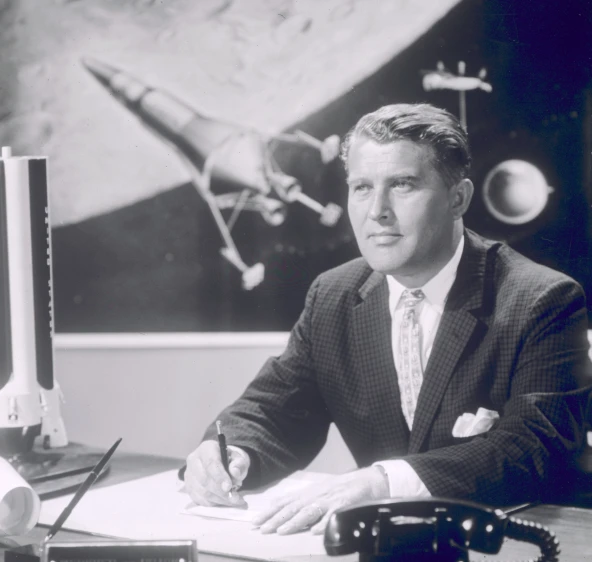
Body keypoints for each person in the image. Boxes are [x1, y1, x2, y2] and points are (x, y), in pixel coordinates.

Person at [182, 103, 592, 535]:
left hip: (527, 540)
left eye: (402, 185)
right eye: (361, 187)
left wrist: (380, 482)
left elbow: (535, 447)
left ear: (459, 199)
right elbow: (274, 410)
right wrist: (230, 453)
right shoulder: (333, 295)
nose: (377, 210)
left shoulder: (542, 299)